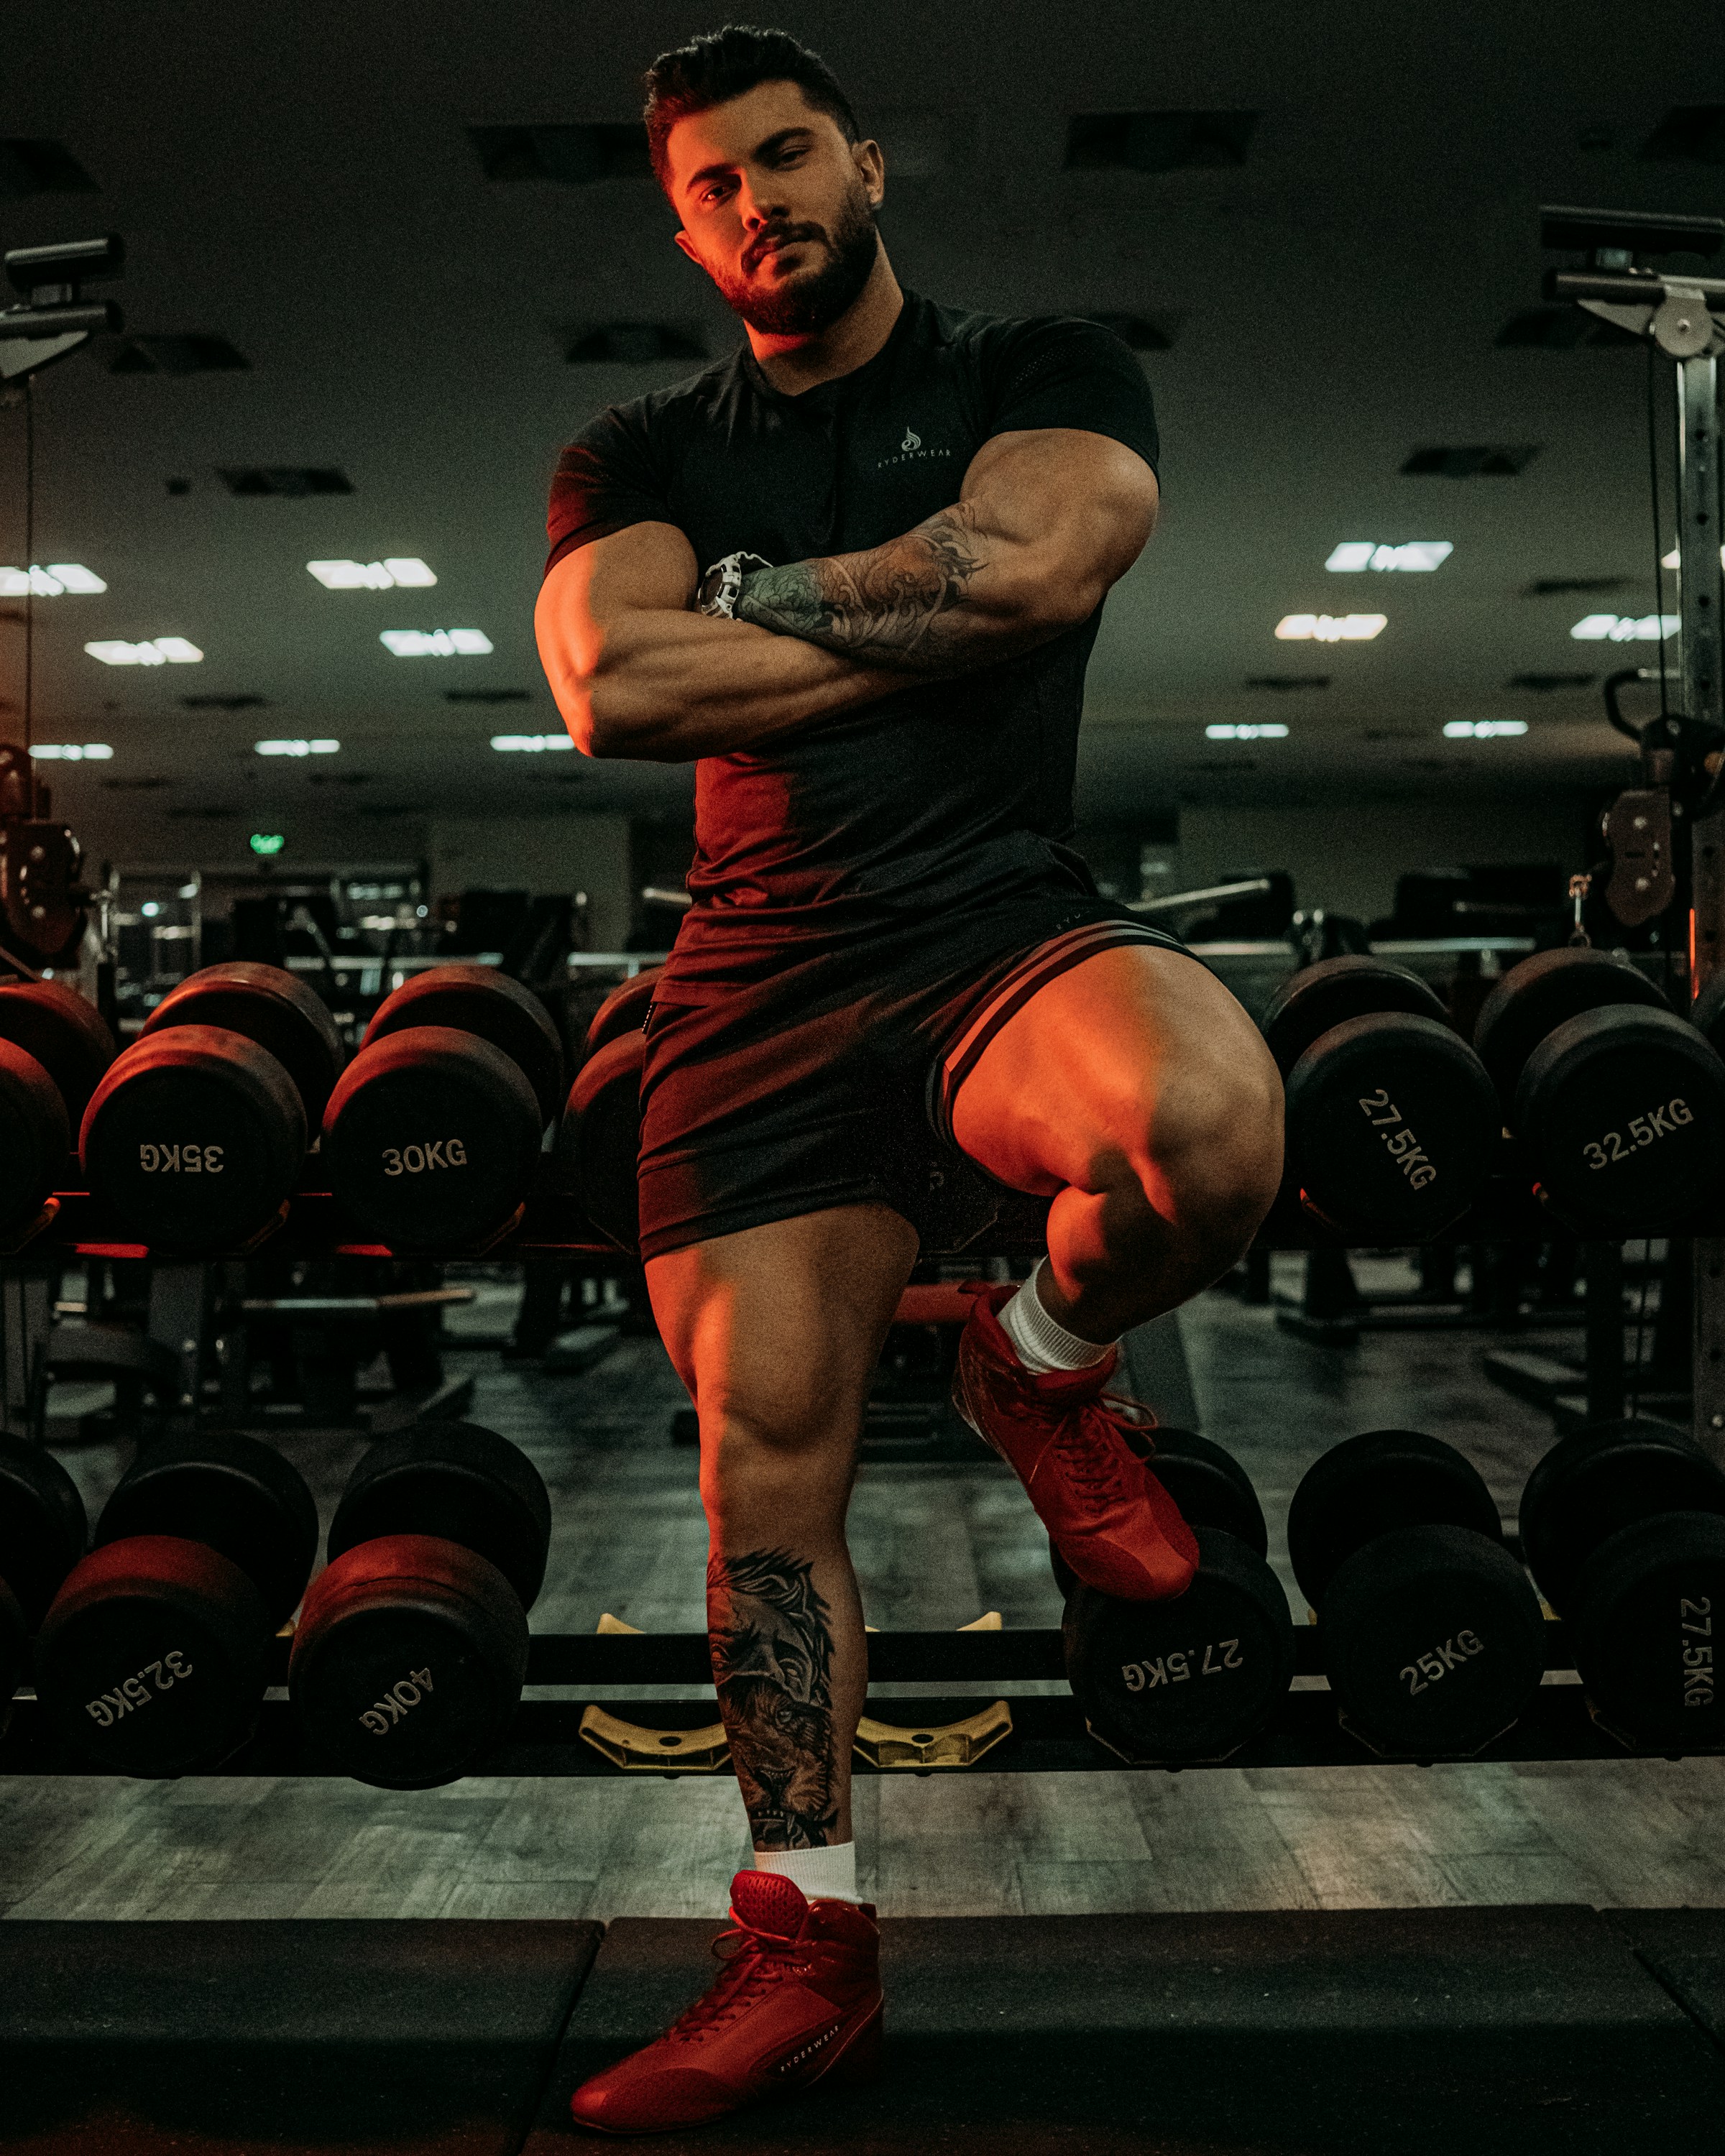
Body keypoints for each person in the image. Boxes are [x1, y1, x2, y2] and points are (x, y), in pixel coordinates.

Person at [535, 24, 1283, 2135]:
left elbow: (1042, 562)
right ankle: (807, 1948)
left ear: (862, 163)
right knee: (763, 1483)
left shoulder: (1040, 365)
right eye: (708, 185)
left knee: (1212, 1131)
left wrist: (758, 615)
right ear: (681, 224)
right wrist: (919, 606)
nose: (754, 201)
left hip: (992, 925)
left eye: (784, 156)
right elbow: (613, 684)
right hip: (758, 983)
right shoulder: (637, 449)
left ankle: (1043, 1357)